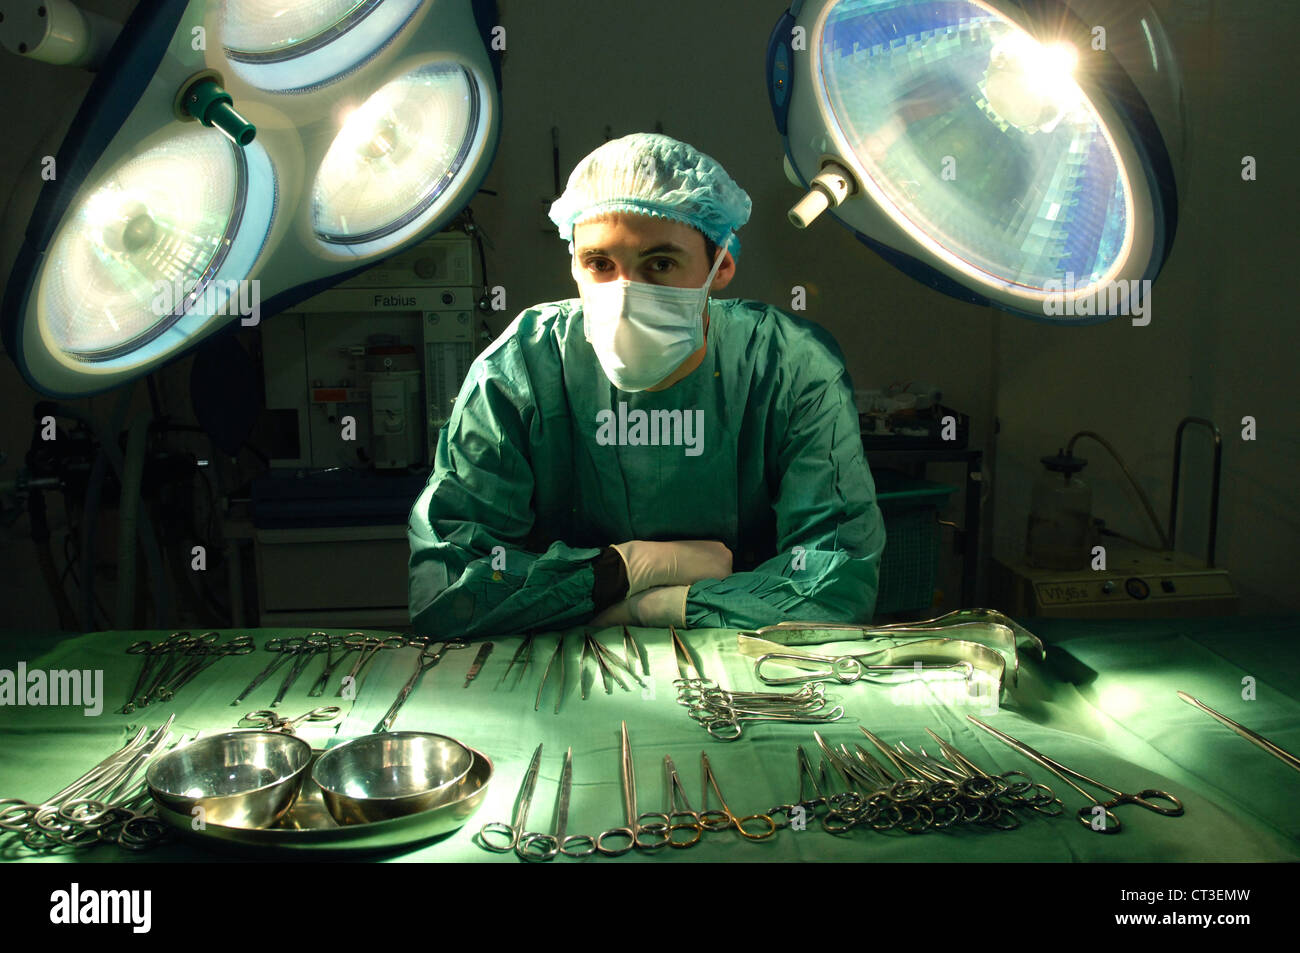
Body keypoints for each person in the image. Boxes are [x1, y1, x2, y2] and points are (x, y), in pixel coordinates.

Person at [407, 133, 885, 637]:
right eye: (599, 264)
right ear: (573, 263)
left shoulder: (789, 368)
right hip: (558, 683)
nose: (626, 294)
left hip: (748, 675)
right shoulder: (520, 369)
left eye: (660, 263)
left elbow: (835, 584)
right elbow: (448, 587)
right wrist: (621, 571)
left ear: (720, 266)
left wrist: (660, 608)